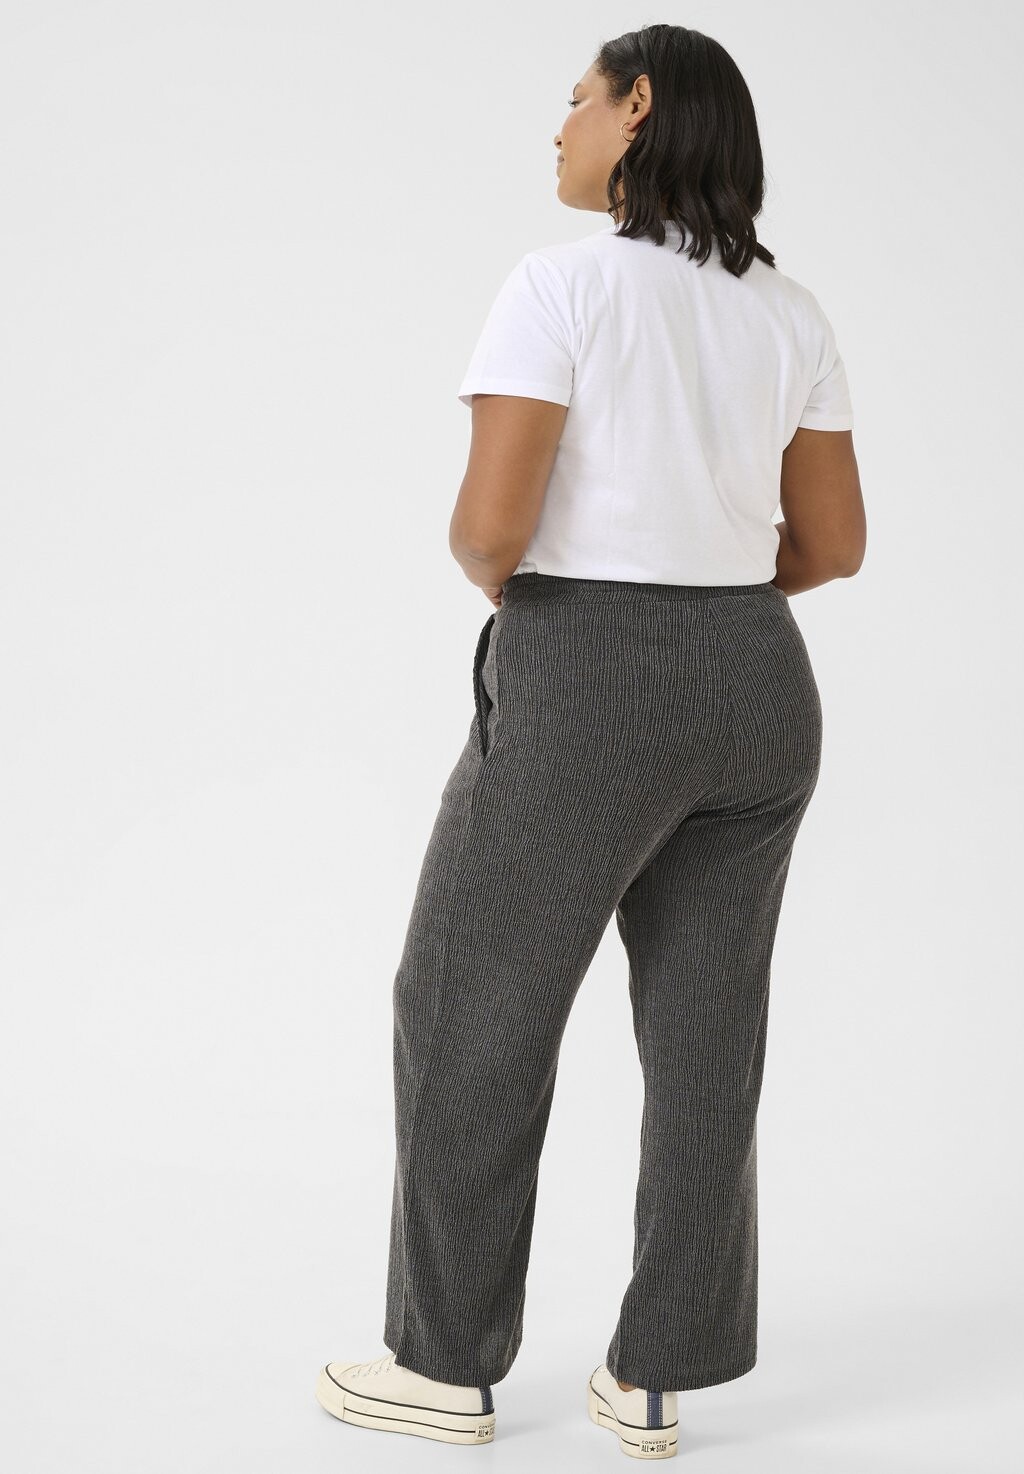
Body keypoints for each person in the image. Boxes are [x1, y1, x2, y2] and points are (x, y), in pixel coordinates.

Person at [315, 21, 864, 1459]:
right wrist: (706, 599)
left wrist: (564, 609)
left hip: (588, 670)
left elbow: (487, 528)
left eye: (576, 99)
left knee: (468, 1005)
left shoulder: (558, 284)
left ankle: (442, 1367)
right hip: (759, 684)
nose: (556, 126)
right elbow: (834, 545)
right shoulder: (790, 312)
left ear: (640, 109)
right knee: (706, 1035)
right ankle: (662, 1370)